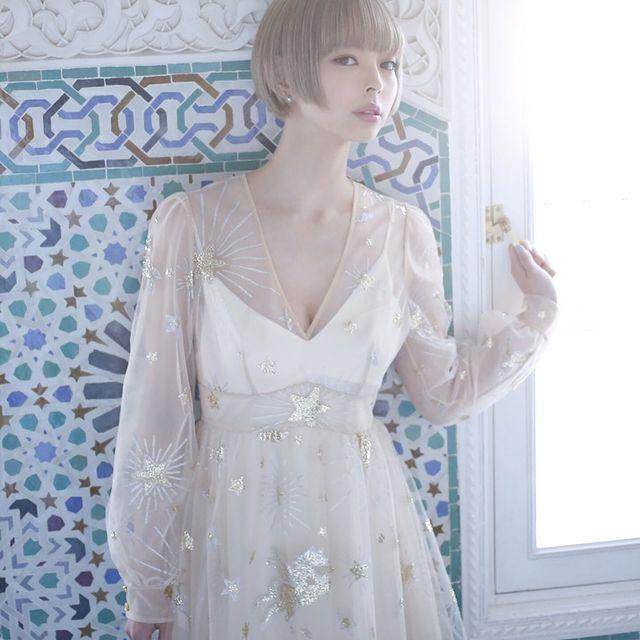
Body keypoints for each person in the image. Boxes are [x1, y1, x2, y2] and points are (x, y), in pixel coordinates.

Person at [105, 0, 559, 638]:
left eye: (389, 64)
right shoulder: (193, 224)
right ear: (285, 74)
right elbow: (157, 413)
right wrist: (146, 587)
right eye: (347, 59)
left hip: (362, 532)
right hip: (232, 529)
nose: (377, 83)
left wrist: (539, 314)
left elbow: (442, 394)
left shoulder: (402, 233)